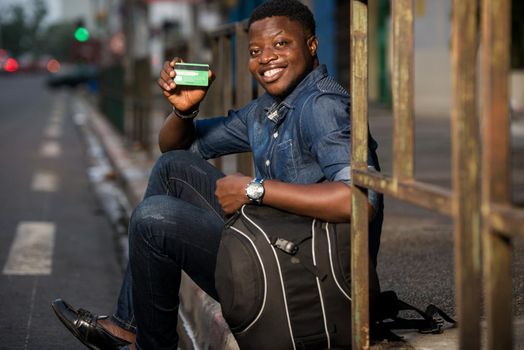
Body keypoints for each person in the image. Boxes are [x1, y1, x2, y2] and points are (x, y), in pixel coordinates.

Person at [51, 0, 383, 349]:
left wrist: (255, 190)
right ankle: (132, 325)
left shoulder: (322, 107)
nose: (266, 57)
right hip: (276, 247)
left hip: (311, 276)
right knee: (171, 168)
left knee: (152, 219)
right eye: (256, 50)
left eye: (281, 44)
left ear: (312, 45)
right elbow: (175, 147)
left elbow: (357, 200)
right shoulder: (266, 109)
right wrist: (185, 110)